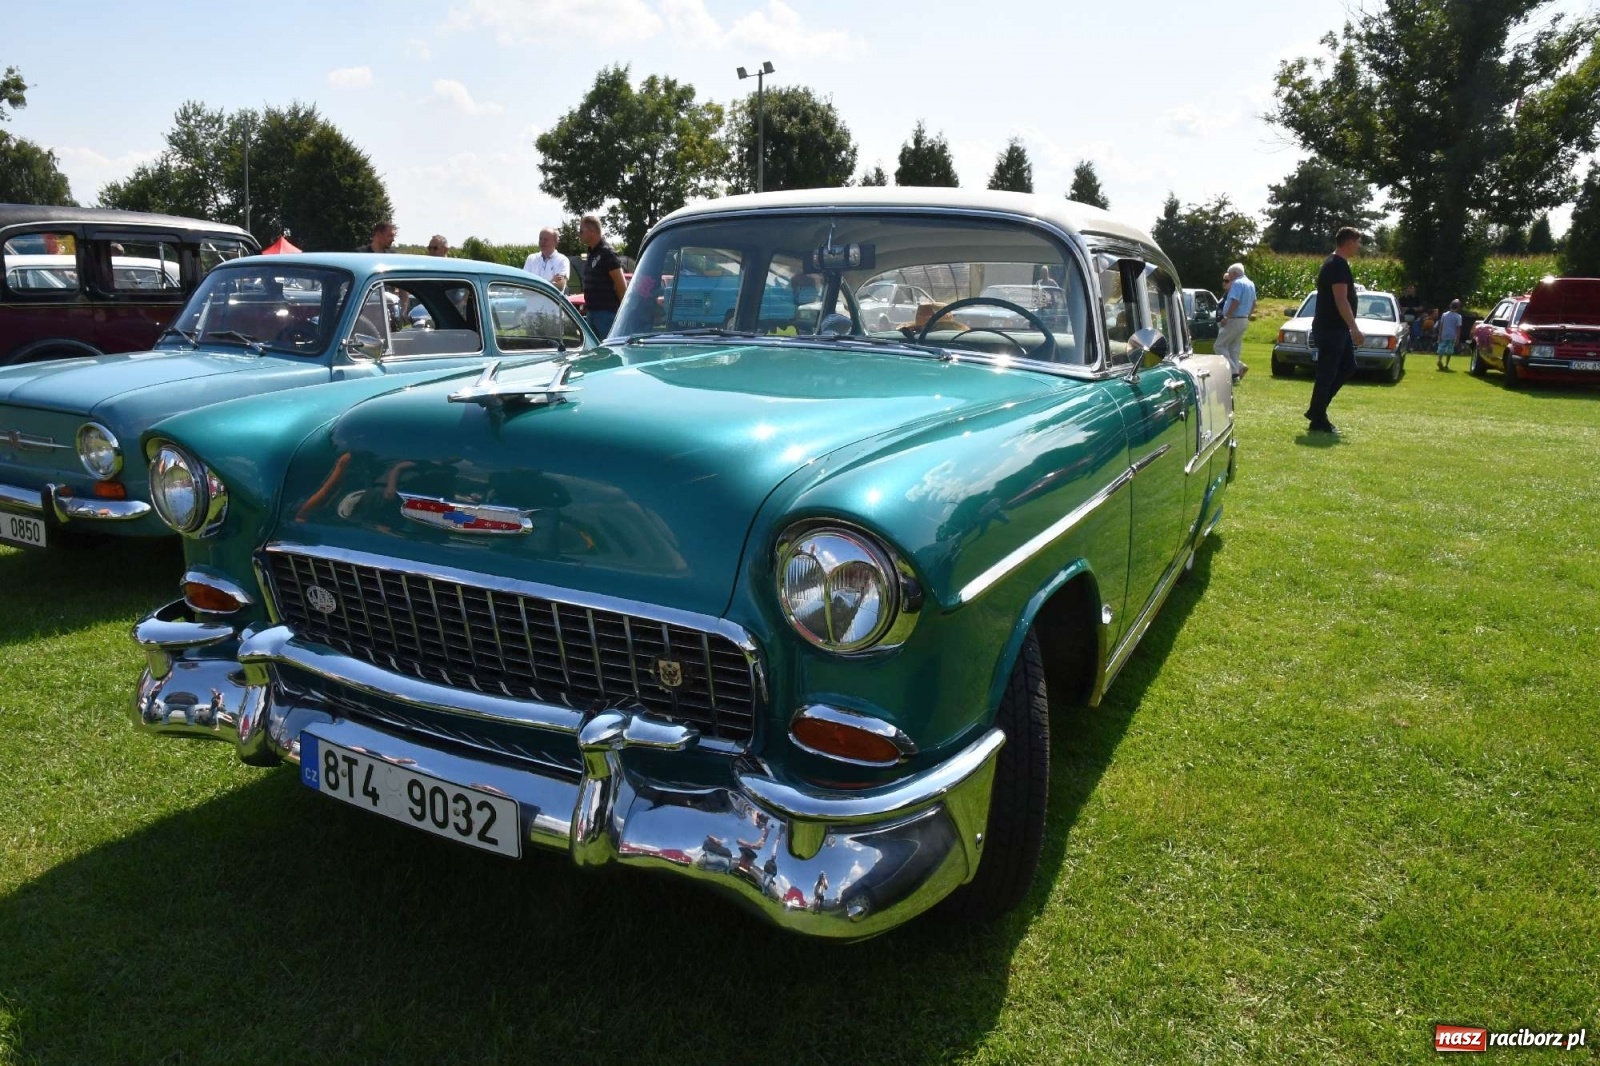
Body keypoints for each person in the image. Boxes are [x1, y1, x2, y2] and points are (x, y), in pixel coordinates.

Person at [1306, 227, 1365, 435]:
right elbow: (1341, 300)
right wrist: (1354, 328)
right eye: (1358, 242)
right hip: (1331, 328)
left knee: (1348, 366)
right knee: (1327, 373)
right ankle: (1318, 417)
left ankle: (1317, 411)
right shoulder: (1336, 265)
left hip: (1336, 328)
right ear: (1349, 242)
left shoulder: (1337, 264)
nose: (1359, 246)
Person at [579, 214, 627, 336]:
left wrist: (623, 312)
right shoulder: (591, 253)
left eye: (581, 231)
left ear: (591, 231)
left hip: (607, 313)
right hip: (592, 312)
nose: (579, 234)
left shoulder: (607, 252)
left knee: (607, 350)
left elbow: (620, 284)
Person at [1216, 262, 1256, 383]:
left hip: (1234, 318)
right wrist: (1247, 315)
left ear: (1234, 273)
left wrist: (1226, 317)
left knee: (1219, 345)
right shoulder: (1250, 283)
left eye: (1230, 275)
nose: (1229, 278)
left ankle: (1235, 370)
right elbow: (1254, 303)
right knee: (1234, 347)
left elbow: (1235, 301)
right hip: (1243, 318)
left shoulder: (1238, 283)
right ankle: (1236, 376)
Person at [1436, 299, 1463, 370]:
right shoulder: (1458, 316)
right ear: (1458, 307)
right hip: (1452, 336)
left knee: (1441, 349)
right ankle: (1446, 364)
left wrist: (1439, 335)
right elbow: (1458, 328)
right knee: (1449, 351)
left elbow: (1441, 325)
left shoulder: (1444, 315)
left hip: (1444, 335)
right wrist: (1457, 338)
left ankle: (1439, 360)